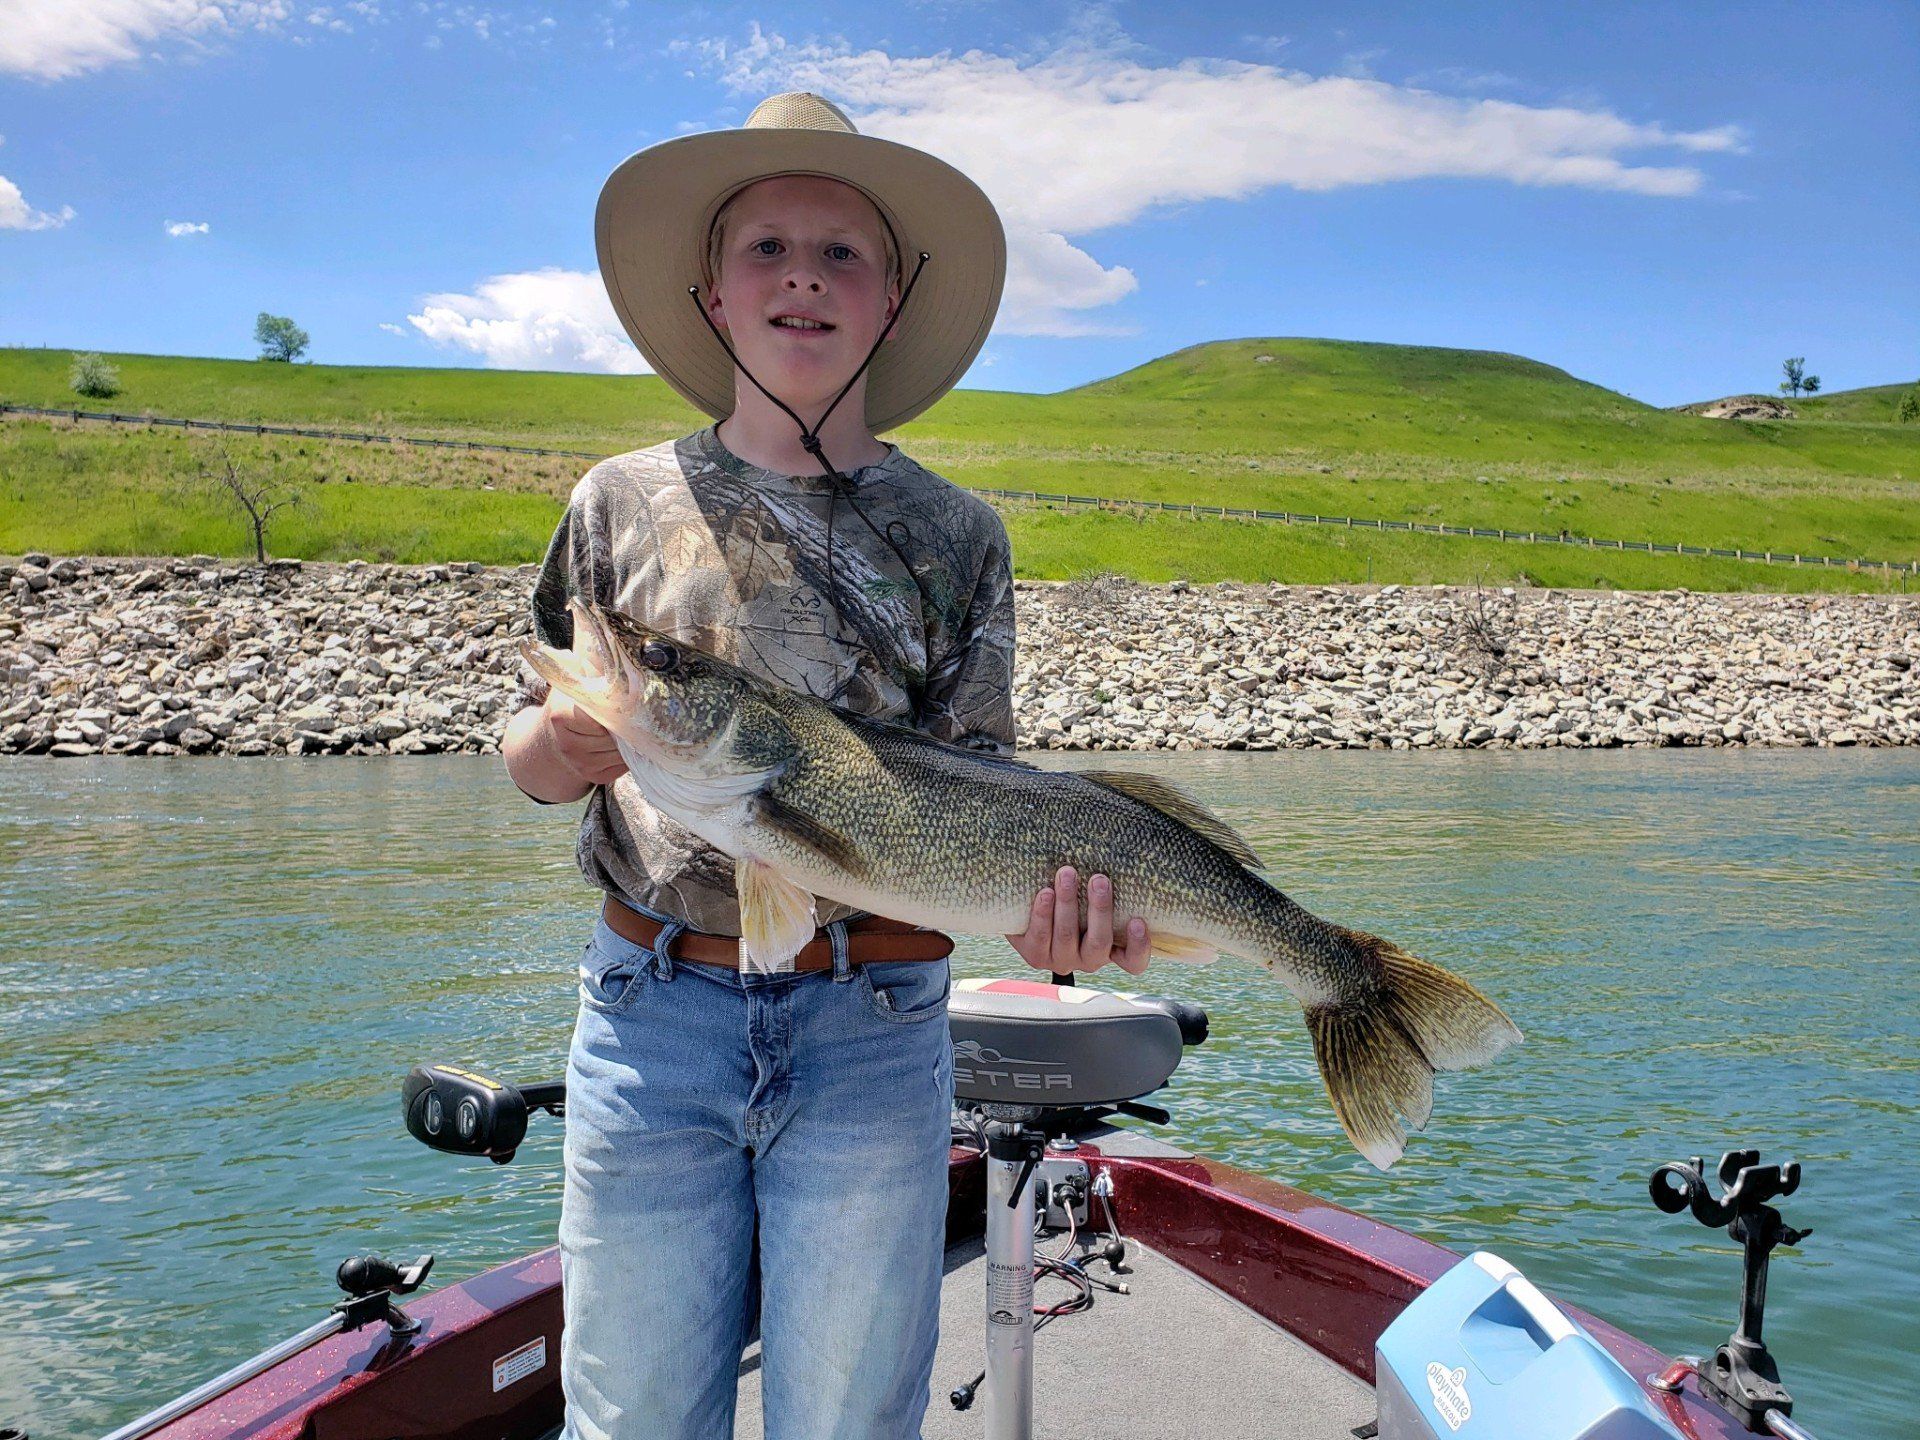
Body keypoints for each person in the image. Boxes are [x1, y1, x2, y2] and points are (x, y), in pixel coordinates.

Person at [501, 91, 1151, 1440]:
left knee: (849, 1419)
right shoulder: (615, 501)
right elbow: (529, 757)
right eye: (767, 249)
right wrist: (561, 742)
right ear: (711, 296)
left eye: (842, 251)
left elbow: (980, 797)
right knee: (625, 1419)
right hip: (648, 1020)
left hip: (878, 1026)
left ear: (895, 301)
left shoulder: (959, 533)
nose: (803, 272)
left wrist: (1060, 926)